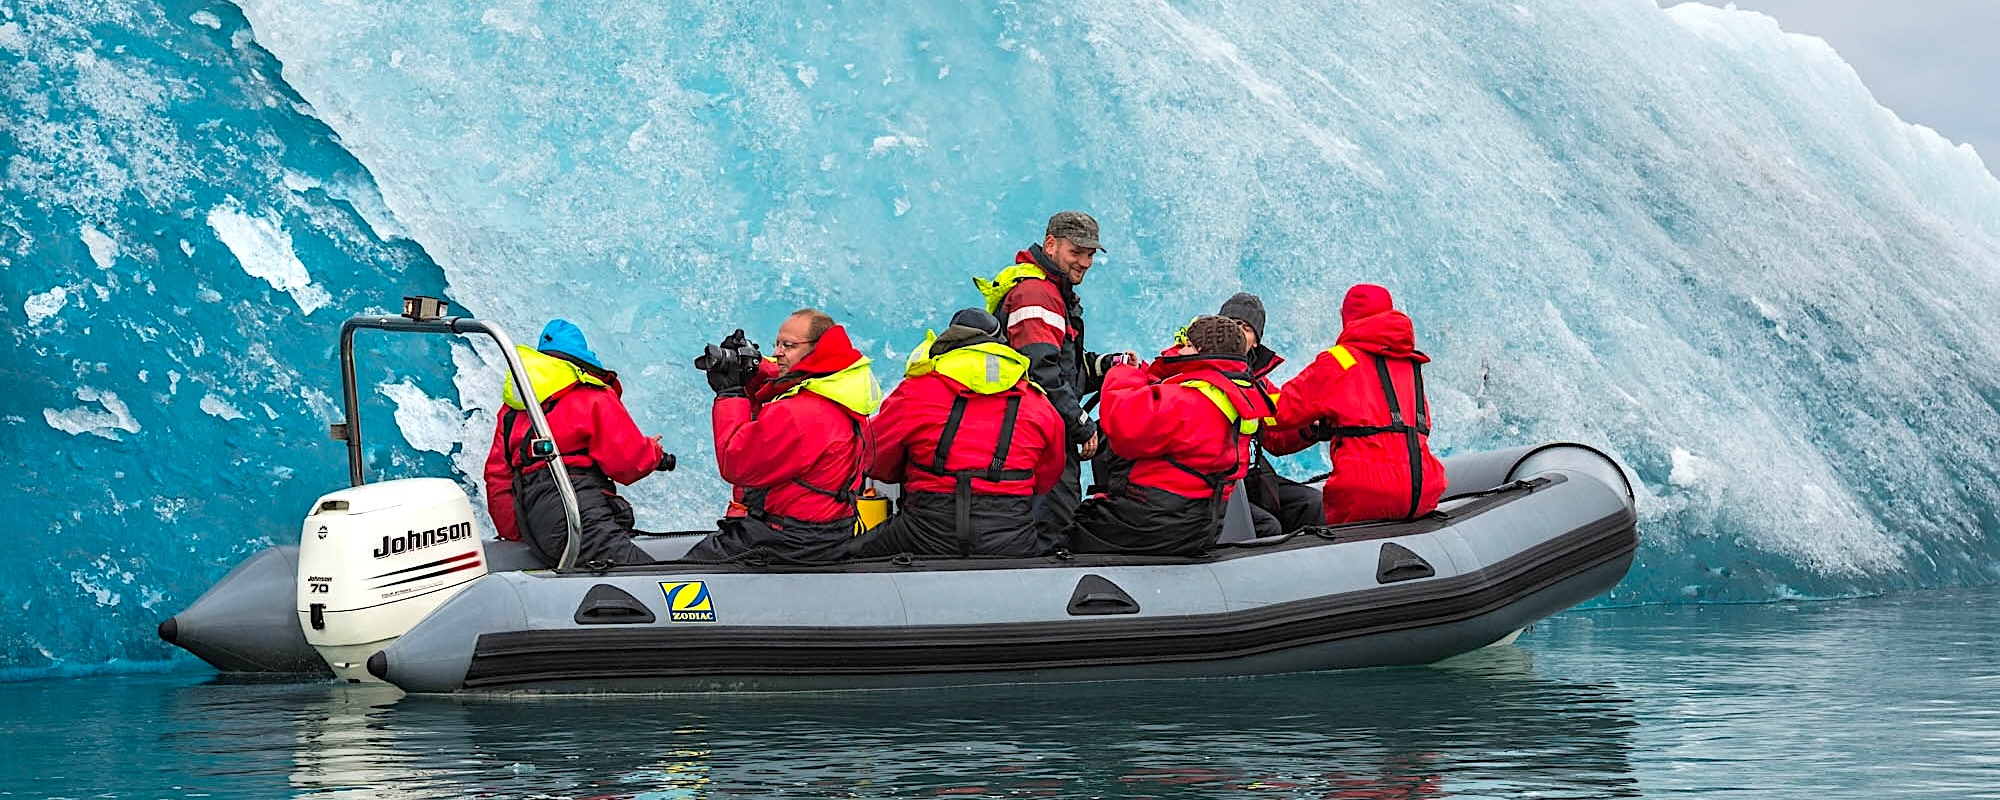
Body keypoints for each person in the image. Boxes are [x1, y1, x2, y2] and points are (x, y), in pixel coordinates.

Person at [852, 309, 1066, 558]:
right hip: (1012, 538)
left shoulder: (915, 392)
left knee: (852, 557)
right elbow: (1047, 477)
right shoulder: (1037, 402)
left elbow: (873, 459)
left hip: (925, 534)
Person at [684, 308, 882, 564]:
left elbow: (736, 463)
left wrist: (730, 394)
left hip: (787, 541)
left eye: (787, 346)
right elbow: (791, 376)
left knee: (690, 567)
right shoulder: (840, 388)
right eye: (776, 345)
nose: (777, 353)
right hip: (831, 533)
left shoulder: (798, 414)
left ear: (817, 350)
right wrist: (754, 366)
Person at [1065, 316, 1275, 557]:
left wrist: (1122, 373)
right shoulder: (1236, 394)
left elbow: (1122, 426)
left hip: (1154, 522)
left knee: (1070, 532)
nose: (1180, 350)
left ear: (1201, 350)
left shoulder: (1189, 400)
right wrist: (1144, 373)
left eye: (1187, 345)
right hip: (1200, 525)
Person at [975, 210, 1116, 548]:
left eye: (1090, 254)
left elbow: (1061, 365)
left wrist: (1105, 366)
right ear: (1050, 244)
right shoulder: (1037, 295)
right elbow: (1041, 371)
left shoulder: (1049, 290)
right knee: (1053, 527)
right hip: (1038, 438)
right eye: (1076, 252)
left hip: (1033, 431)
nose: (1085, 262)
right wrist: (1081, 423)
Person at [482, 319, 671, 567]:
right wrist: (654, 453)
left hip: (536, 523)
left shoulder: (512, 411)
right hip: (578, 513)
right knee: (645, 577)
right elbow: (628, 461)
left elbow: (497, 479)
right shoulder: (591, 394)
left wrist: (521, 537)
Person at [1271, 284, 1447, 524]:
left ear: (1348, 317)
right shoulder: (1412, 366)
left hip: (1365, 493)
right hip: (1422, 489)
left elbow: (1281, 412)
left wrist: (1244, 394)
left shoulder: (1339, 360)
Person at [1216, 292, 1326, 533]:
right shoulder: (1198, 371)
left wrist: (1309, 428)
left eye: (1245, 327)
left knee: (1315, 505)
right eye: (1230, 323)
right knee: (1268, 527)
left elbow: (1275, 439)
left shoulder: (1260, 383)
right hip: (1217, 483)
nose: (1236, 331)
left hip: (1253, 478)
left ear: (1256, 341)